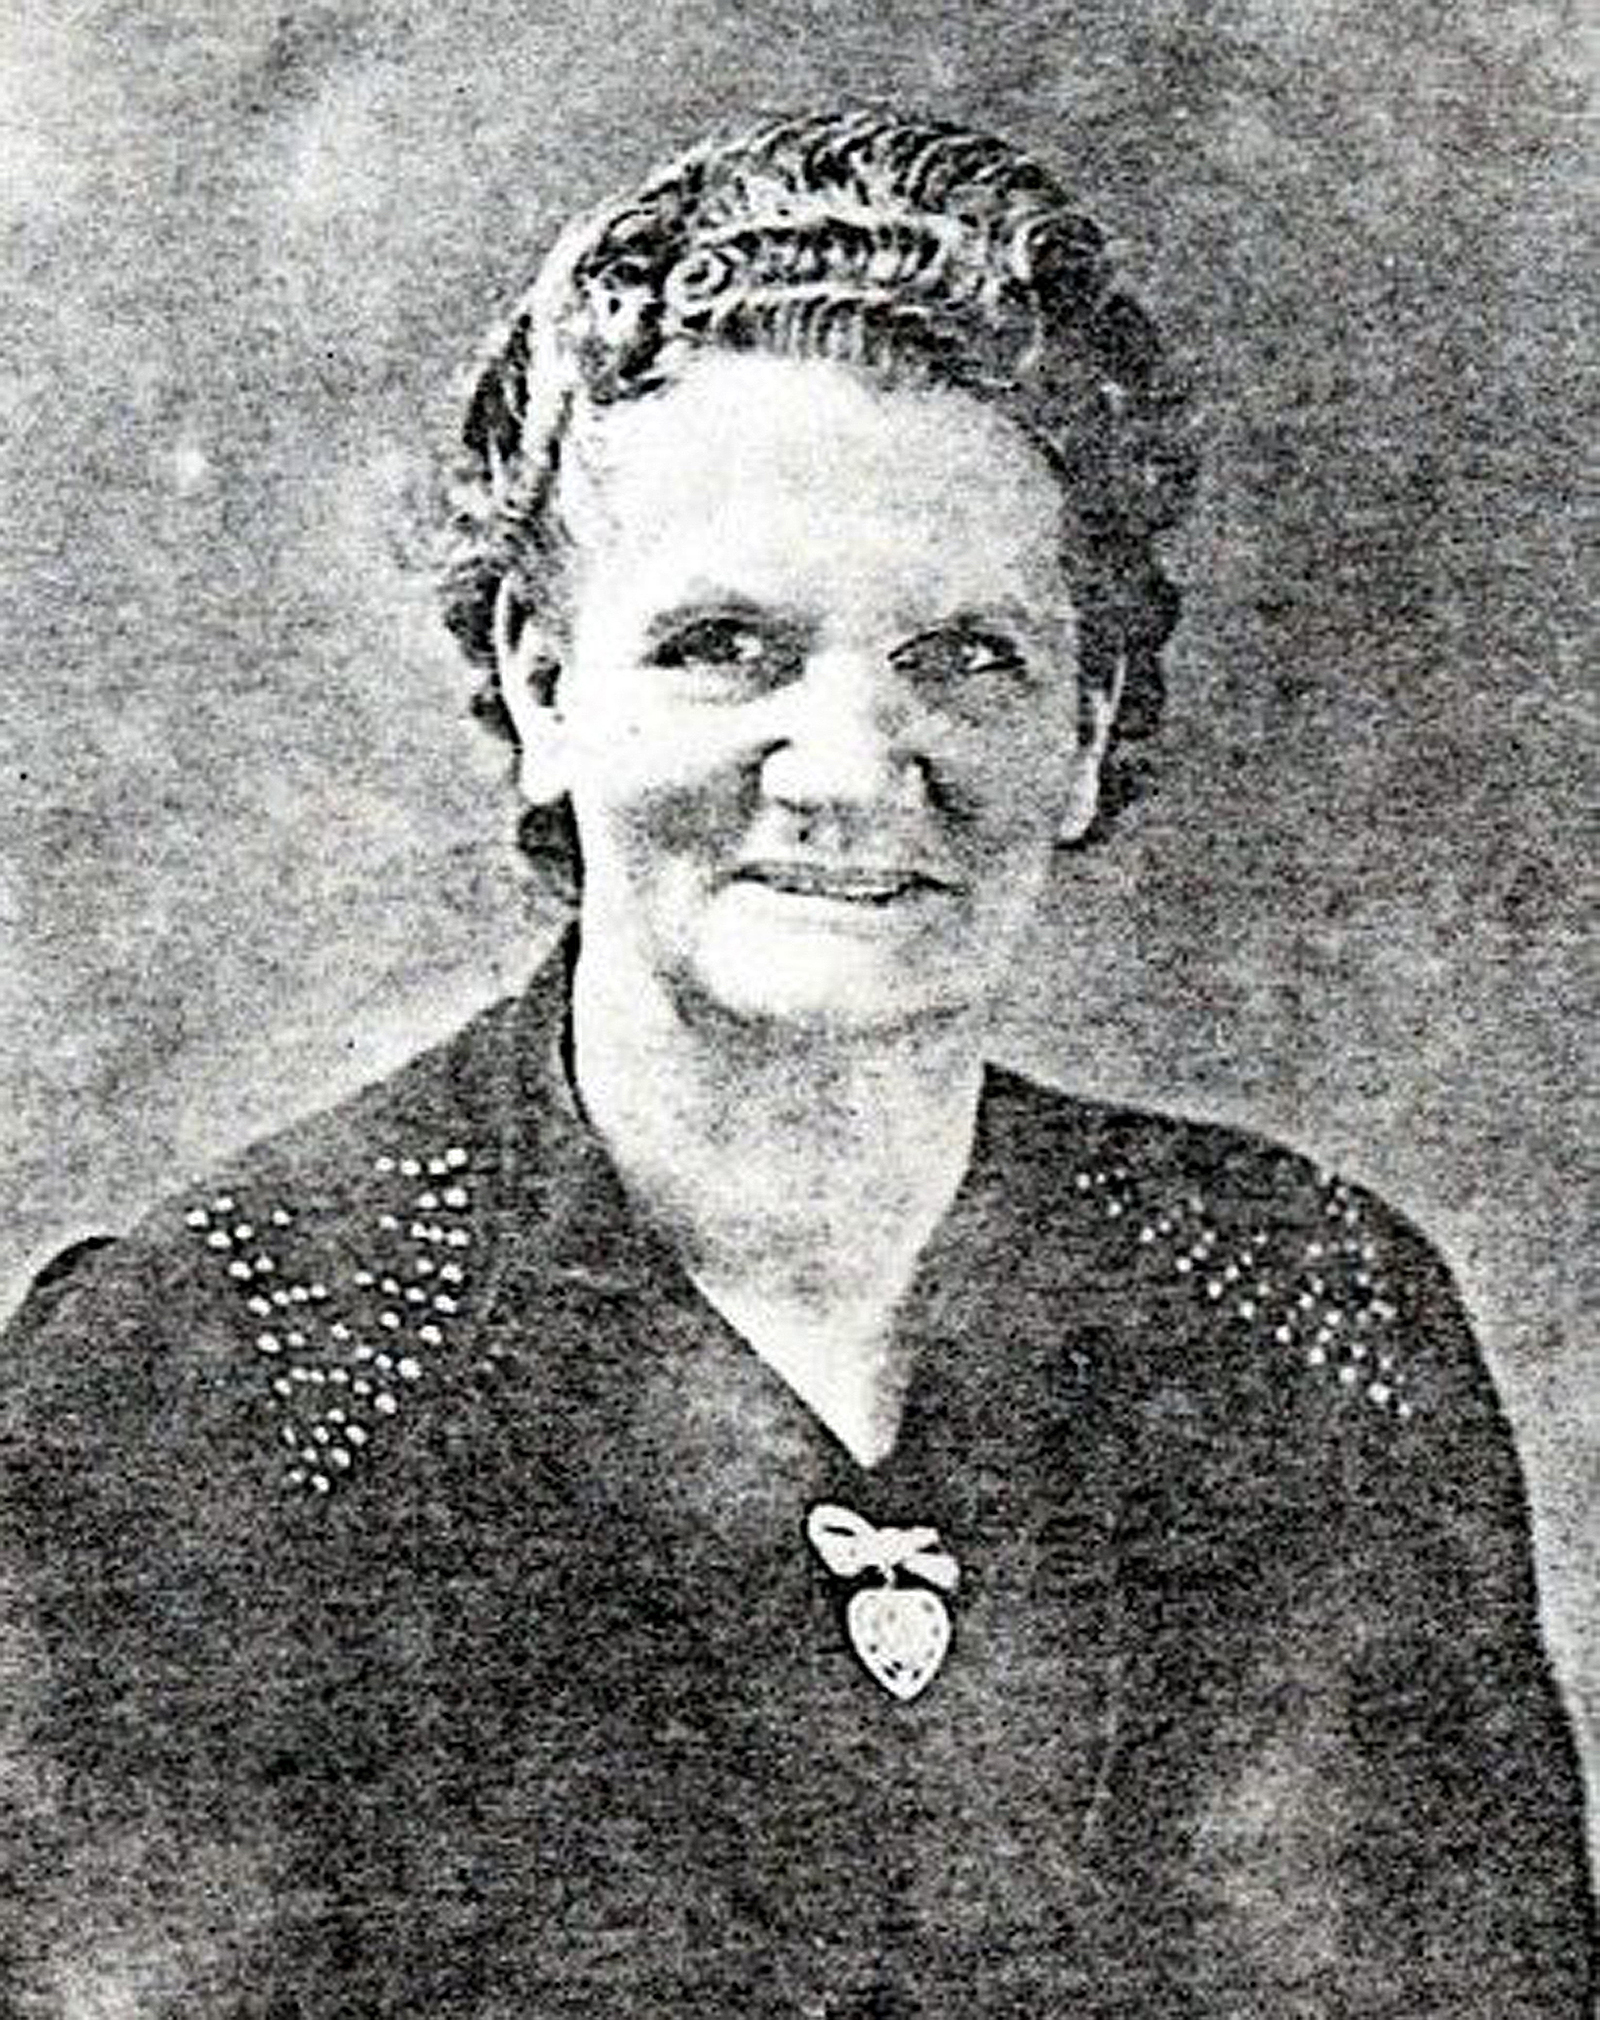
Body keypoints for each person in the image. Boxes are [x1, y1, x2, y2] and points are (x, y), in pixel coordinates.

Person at [0, 106, 1591, 2017]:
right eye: (726, 645)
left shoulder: (1316, 1326)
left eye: (967, 656)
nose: (847, 768)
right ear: (544, 682)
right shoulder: (212, 1378)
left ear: (1091, 729)